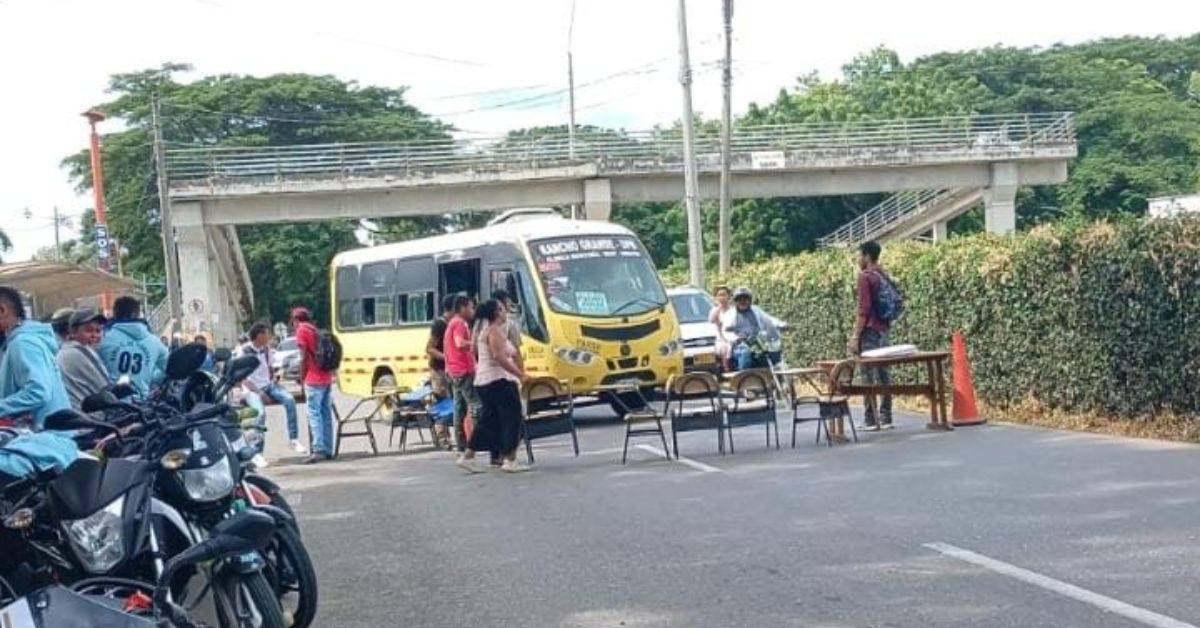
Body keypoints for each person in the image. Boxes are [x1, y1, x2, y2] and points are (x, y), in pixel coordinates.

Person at [455, 299, 530, 474]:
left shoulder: (485, 330)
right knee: (512, 418)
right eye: (503, 309)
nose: (506, 313)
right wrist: (520, 374)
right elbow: (499, 356)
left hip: (487, 380)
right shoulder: (493, 331)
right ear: (496, 313)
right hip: (498, 380)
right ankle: (510, 459)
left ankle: (469, 455)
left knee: (489, 420)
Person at [0, 286, 70, 427]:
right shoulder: (20, 341)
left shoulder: (23, 343)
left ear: (2, 311)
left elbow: (38, 393)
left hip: (44, 435)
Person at [240, 322, 307, 456]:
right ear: (259, 335)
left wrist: (275, 378)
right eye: (267, 334)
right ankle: (257, 451)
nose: (269, 337)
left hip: (268, 385)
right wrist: (259, 392)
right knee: (260, 413)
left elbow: (272, 368)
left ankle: (293, 439)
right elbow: (242, 378)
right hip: (251, 389)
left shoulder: (266, 350)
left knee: (289, 400)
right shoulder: (244, 351)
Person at [849, 240, 894, 430]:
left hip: (869, 331)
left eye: (860, 255)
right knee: (884, 373)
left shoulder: (865, 277)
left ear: (867, 256)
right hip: (884, 329)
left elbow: (864, 310)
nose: (858, 259)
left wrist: (855, 336)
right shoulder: (882, 274)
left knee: (867, 374)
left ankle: (870, 419)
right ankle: (886, 417)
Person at [97, 296, 169, 398]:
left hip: (110, 402)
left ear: (115, 313)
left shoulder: (102, 339)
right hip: (142, 402)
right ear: (136, 314)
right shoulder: (155, 341)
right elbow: (170, 368)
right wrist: (149, 378)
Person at [293, 307, 334, 464]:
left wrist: (301, 377)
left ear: (296, 320)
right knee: (325, 413)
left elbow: (303, 358)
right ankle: (328, 449)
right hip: (326, 377)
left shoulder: (302, 331)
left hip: (313, 378)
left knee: (314, 414)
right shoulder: (315, 330)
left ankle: (318, 449)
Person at [443, 295, 481, 454]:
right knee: (476, 404)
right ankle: (478, 440)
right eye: (471, 307)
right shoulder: (460, 323)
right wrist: (476, 343)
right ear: (463, 308)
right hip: (463, 370)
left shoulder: (452, 323)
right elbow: (459, 343)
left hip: (454, 370)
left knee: (459, 408)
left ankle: (461, 444)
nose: (473, 311)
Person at [56, 309, 110, 411]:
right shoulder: (79, 352)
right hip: (87, 416)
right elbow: (105, 388)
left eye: (98, 331)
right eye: (89, 330)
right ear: (73, 332)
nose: (95, 335)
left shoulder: (66, 350)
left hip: (76, 413)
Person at [720, 288, 782, 371]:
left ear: (749, 300)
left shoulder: (756, 310)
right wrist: (736, 339)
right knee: (745, 352)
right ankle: (745, 375)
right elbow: (725, 331)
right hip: (739, 345)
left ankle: (775, 374)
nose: (743, 301)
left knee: (773, 350)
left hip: (757, 341)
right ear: (735, 301)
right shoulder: (730, 314)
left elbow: (769, 320)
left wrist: (781, 324)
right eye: (740, 299)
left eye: (745, 299)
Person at [425, 295, 456, 446]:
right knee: (442, 401)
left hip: (451, 370)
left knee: (452, 402)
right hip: (439, 370)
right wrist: (447, 358)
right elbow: (429, 348)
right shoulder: (439, 325)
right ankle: (442, 436)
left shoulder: (454, 324)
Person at [708, 286, 733, 370]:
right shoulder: (714, 310)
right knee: (724, 347)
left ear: (728, 296)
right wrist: (720, 307)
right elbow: (712, 320)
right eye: (719, 295)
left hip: (733, 337)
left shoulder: (733, 310)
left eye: (724, 295)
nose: (722, 297)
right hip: (721, 339)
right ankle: (726, 369)